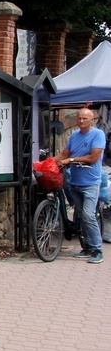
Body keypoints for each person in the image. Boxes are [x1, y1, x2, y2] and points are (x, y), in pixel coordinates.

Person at [52, 108, 105, 264]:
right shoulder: (74, 136)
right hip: (75, 182)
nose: (81, 121)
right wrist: (47, 163)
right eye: (79, 118)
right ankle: (87, 248)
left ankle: (97, 250)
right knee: (81, 217)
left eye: (85, 119)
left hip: (91, 183)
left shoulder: (98, 135)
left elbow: (93, 157)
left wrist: (71, 161)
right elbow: (64, 154)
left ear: (91, 120)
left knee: (89, 216)